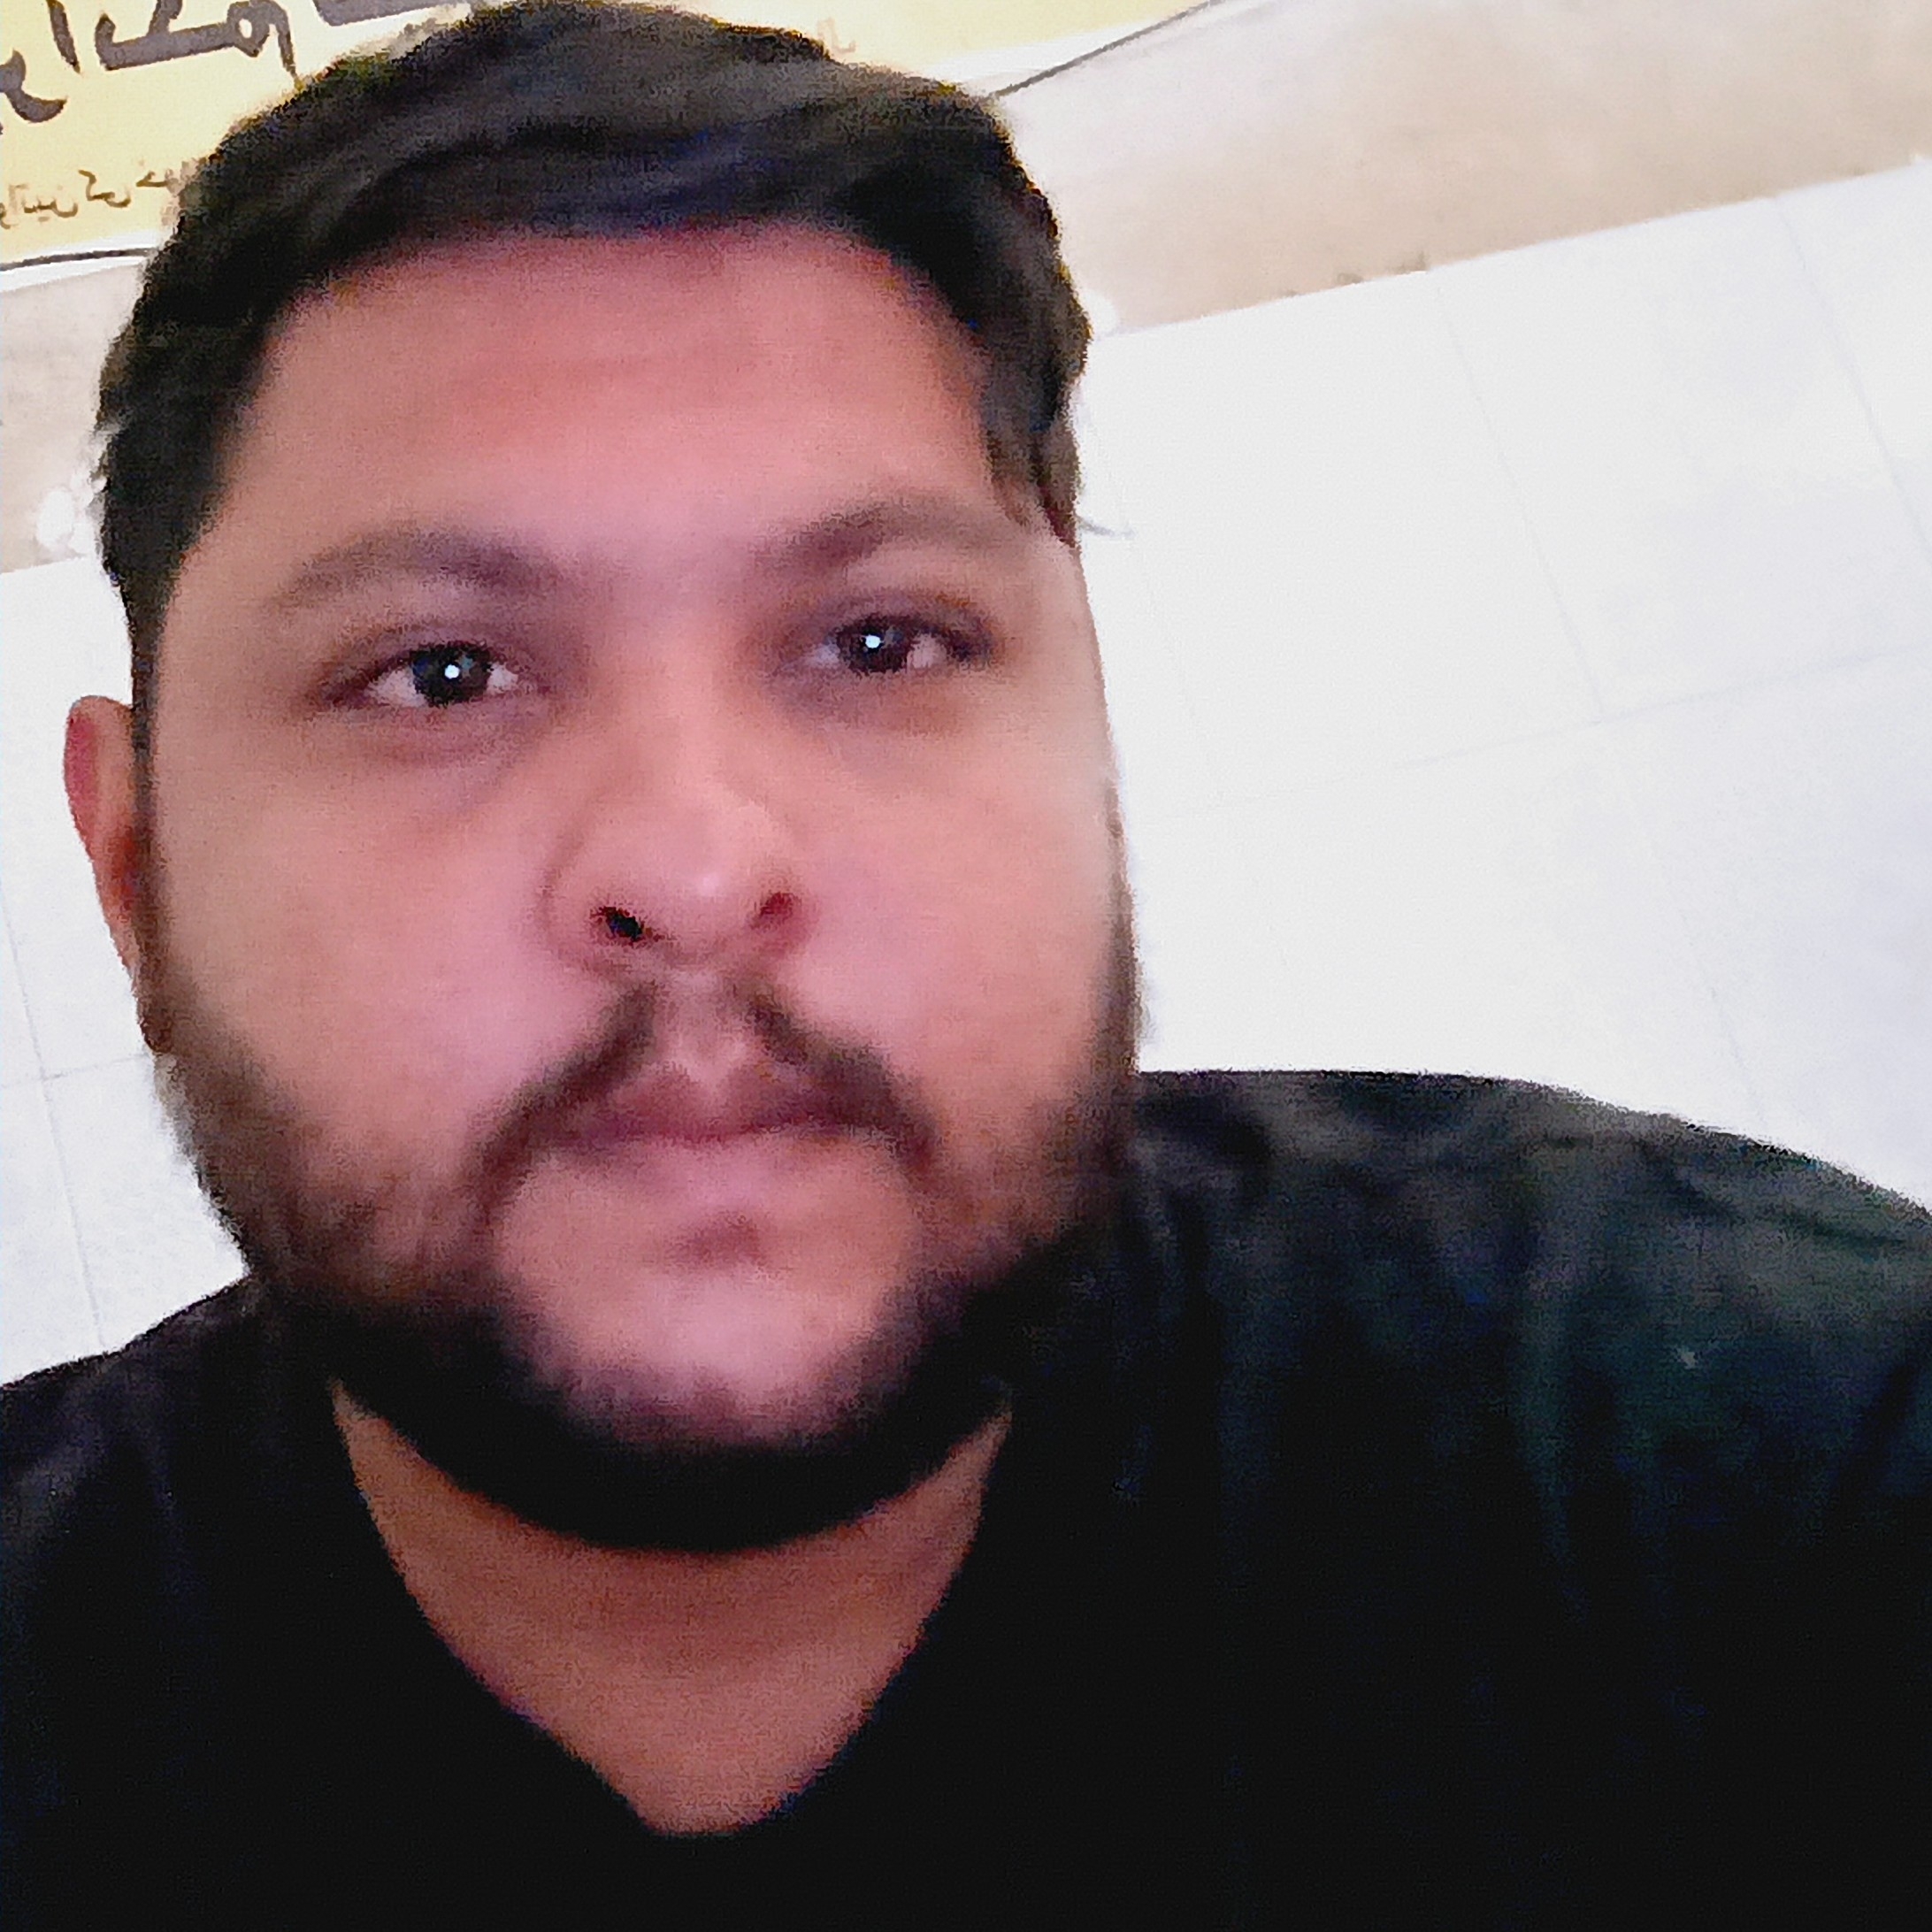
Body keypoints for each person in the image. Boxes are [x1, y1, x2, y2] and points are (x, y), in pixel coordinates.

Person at [4, 3, 1928, 1924]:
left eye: (882, 644)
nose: (695, 867)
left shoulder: (1748, 1457)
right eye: (441, 675)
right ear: (138, 870)